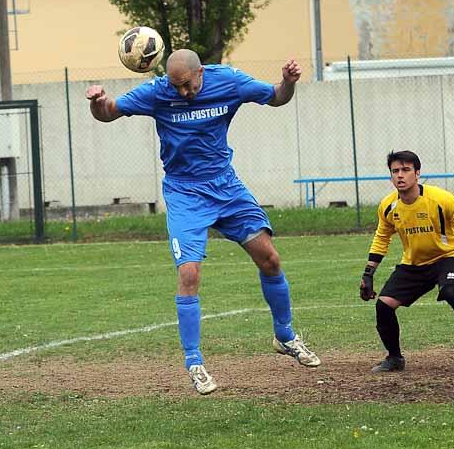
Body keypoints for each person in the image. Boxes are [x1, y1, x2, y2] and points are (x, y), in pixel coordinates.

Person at [86, 49, 320, 395]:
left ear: (200, 73)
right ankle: (194, 362)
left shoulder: (228, 81)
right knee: (188, 273)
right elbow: (108, 114)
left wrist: (288, 81)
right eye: (175, 86)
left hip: (225, 186)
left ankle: (285, 335)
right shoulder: (158, 92)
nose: (182, 92)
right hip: (184, 193)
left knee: (269, 258)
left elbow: (275, 97)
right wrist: (98, 101)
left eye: (186, 85)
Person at [359, 150, 454, 372]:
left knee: (451, 292)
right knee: (383, 306)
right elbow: (381, 238)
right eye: (395, 171)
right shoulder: (388, 206)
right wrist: (368, 274)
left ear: (417, 173)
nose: (400, 175)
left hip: (449, 256)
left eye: (406, 170)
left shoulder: (440, 199)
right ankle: (395, 358)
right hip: (414, 264)